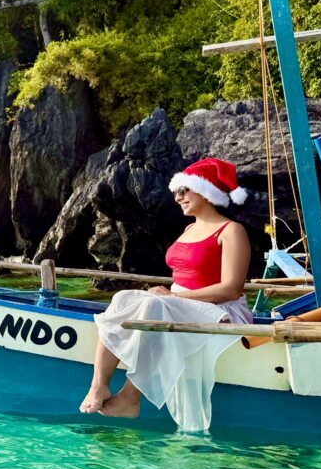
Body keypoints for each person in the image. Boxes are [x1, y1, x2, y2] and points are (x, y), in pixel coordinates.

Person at [78, 157, 253, 431]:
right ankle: (99, 384)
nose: (178, 198)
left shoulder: (231, 231)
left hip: (221, 310)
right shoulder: (189, 229)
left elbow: (230, 288)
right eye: (177, 192)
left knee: (153, 309)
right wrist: (171, 297)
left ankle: (130, 398)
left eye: (185, 190)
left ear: (206, 191)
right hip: (181, 303)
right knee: (122, 299)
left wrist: (173, 299)